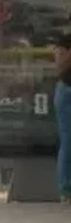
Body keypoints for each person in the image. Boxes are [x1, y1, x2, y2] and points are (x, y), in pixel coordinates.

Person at [51, 30, 71, 203]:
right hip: (67, 90)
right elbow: (59, 65)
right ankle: (65, 189)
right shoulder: (65, 41)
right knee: (68, 140)